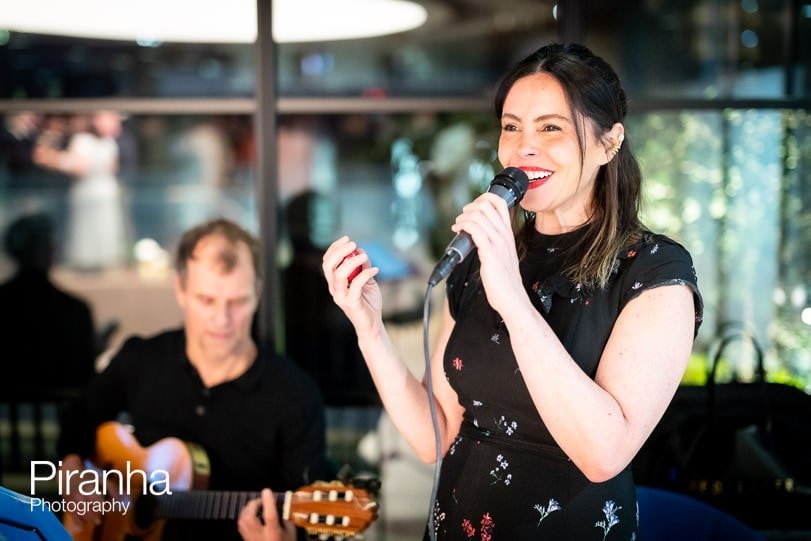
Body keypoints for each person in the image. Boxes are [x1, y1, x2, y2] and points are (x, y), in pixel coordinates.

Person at [320, 43, 703, 539]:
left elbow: (604, 453)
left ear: (610, 144)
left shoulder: (653, 270)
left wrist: (513, 300)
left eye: (551, 128)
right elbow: (434, 436)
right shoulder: (482, 258)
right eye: (511, 126)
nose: (525, 147)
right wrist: (369, 329)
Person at [57, 218, 329, 541]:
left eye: (237, 301)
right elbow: (76, 420)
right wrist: (75, 477)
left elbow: (309, 518)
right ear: (181, 290)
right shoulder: (141, 359)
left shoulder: (296, 395)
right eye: (206, 300)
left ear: (257, 293)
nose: (221, 319)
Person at [0, 212, 96, 393]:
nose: (54, 247)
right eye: (49, 243)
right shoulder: (74, 310)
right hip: (61, 415)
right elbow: (85, 377)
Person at [34, 110, 128, 270]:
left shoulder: (105, 141)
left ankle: (99, 263)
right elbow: (89, 167)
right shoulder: (86, 140)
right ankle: (89, 264)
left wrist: (55, 159)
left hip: (99, 192)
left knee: (101, 229)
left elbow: (93, 167)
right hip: (92, 192)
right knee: (90, 230)